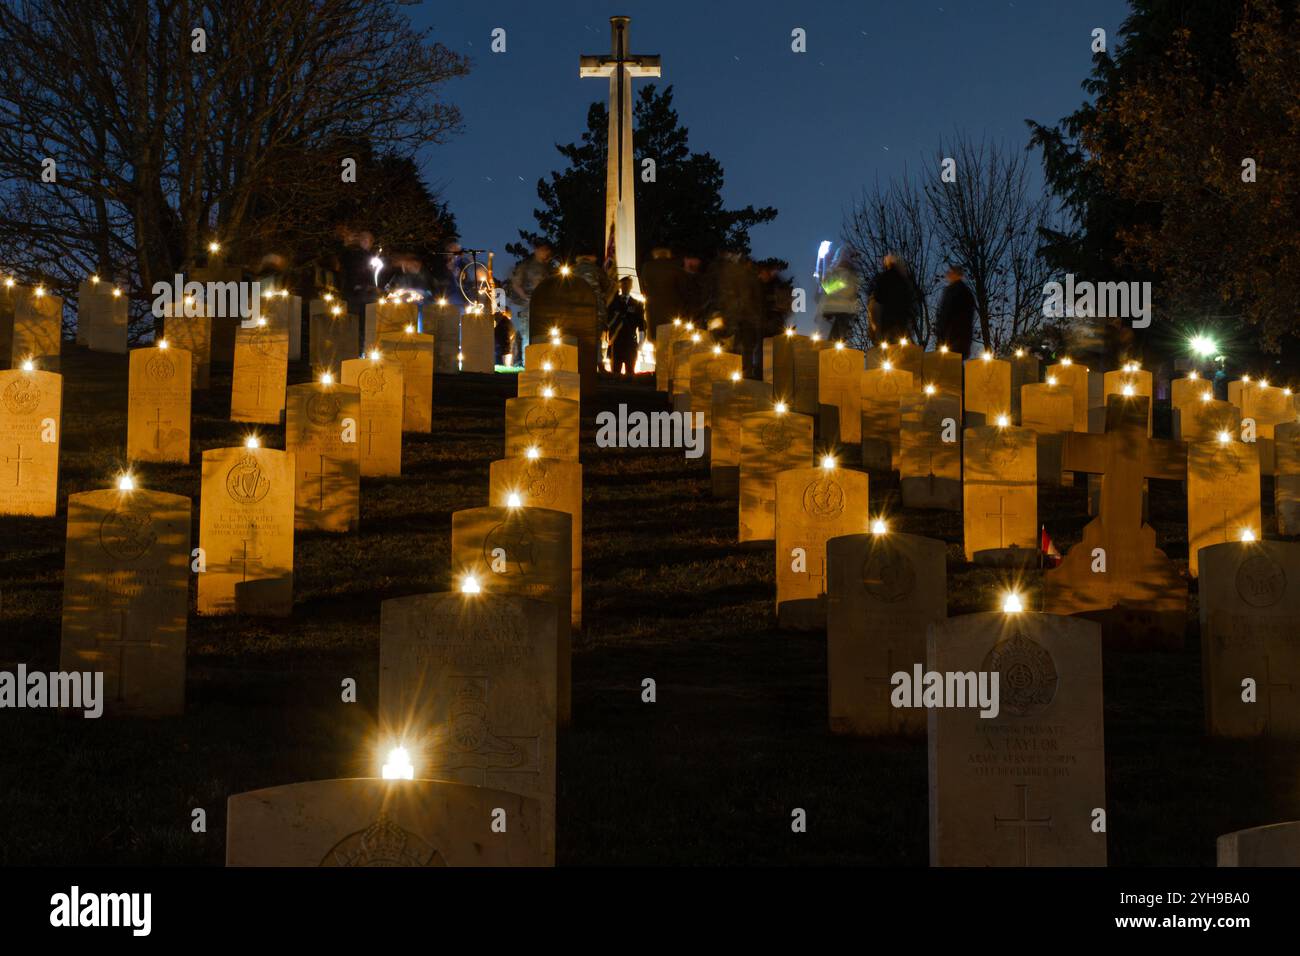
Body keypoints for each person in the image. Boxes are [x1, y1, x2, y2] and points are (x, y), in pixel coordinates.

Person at [506, 241, 555, 356]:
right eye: (544, 249)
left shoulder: (547, 267)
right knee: (528, 333)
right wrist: (525, 297)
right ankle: (528, 360)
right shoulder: (526, 265)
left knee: (544, 332)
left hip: (544, 305)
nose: (546, 252)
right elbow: (516, 283)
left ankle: (542, 359)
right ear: (537, 250)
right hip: (528, 305)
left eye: (547, 250)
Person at [866, 253, 915, 345]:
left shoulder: (884, 278)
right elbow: (911, 305)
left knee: (887, 353)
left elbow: (877, 301)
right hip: (901, 326)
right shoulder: (906, 282)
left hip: (887, 324)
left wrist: (876, 329)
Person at [818, 247, 860, 343]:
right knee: (833, 341)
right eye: (850, 257)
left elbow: (851, 293)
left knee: (836, 341)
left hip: (843, 312)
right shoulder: (837, 272)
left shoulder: (851, 274)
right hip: (834, 312)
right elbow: (827, 286)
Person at [605, 276, 645, 376]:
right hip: (616, 342)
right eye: (624, 284)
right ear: (620, 286)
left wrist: (641, 341)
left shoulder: (637, 304)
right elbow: (607, 321)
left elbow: (641, 324)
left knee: (630, 373)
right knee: (615, 373)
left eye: (628, 284)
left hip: (630, 342)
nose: (626, 286)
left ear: (631, 286)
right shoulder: (613, 303)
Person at [934, 264, 977, 358]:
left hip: (952, 339)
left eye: (950, 272)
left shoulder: (955, 291)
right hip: (958, 340)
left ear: (956, 274)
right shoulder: (965, 292)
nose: (947, 274)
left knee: (949, 366)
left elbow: (946, 315)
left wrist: (941, 334)